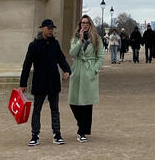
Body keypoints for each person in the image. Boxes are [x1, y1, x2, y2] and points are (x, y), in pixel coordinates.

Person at [19, 19, 71, 147]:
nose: (50, 30)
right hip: (40, 81)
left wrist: (67, 70)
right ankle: (35, 135)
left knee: (55, 109)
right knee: (37, 109)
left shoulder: (55, 43)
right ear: (42, 28)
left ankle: (57, 134)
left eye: (52, 28)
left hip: (53, 81)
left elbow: (61, 58)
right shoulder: (34, 45)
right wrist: (23, 83)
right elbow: (27, 65)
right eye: (48, 28)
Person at [68, 14, 105, 142]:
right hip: (77, 70)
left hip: (89, 70)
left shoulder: (96, 38)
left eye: (87, 23)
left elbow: (100, 57)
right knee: (73, 101)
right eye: (82, 23)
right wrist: (80, 41)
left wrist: (94, 70)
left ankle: (82, 131)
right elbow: (72, 53)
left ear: (90, 25)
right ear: (80, 25)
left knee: (87, 103)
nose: (84, 25)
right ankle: (82, 125)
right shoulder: (75, 38)